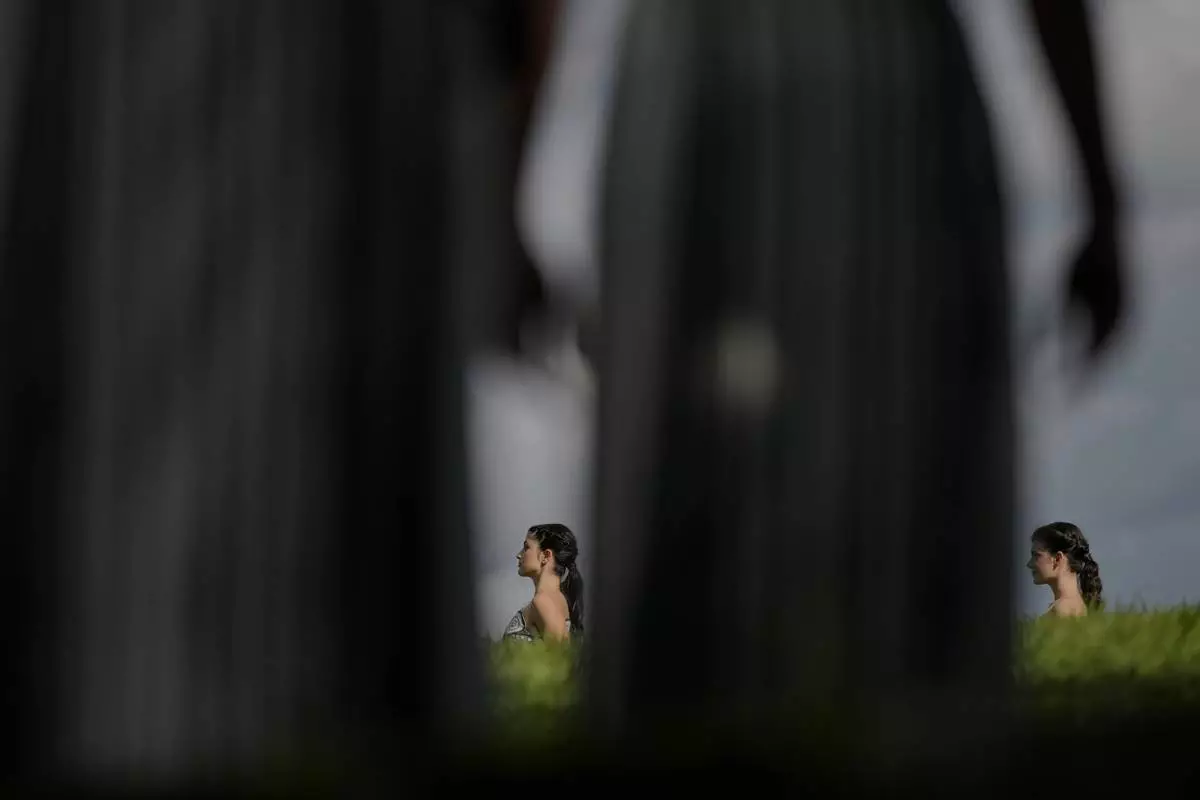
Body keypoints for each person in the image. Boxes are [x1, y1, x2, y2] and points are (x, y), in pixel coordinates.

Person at [586, 0, 1125, 747]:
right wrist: (1102, 192)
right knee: (908, 514)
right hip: (891, 77)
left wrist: (499, 184)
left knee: (693, 506)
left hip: (693, 79)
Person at [504, 523, 585, 642]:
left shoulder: (543, 601)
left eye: (526, 547)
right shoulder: (554, 599)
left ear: (546, 556)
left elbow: (560, 657)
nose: (519, 555)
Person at [1028, 521, 1104, 616]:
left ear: (1058, 558)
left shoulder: (1059, 611)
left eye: (1036, 556)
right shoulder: (1082, 606)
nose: (1029, 564)